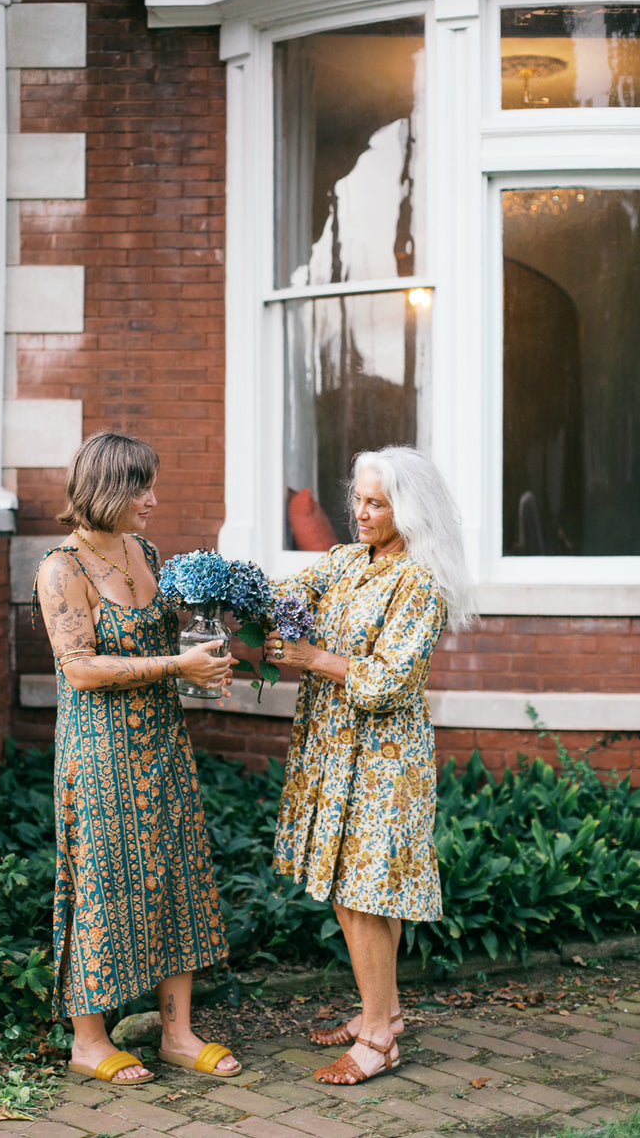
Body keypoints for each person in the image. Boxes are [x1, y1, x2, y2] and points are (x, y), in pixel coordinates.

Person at [262, 446, 473, 1086]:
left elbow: (386, 683)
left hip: (385, 760)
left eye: (376, 503)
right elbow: (282, 594)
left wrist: (311, 658)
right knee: (352, 892)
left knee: (364, 895)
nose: (359, 512)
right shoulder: (349, 562)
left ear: (408, 509)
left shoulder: (420, 584)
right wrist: (229, 593)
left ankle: (379, 1038)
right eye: (357, 499)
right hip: (333, 749)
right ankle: (382, 1011)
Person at [35, 431, 241, 1086]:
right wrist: (178, 664)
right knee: (101, 883)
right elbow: (82, 668)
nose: (154, 500)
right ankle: (89, 1042)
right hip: (99, 754)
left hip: (162, 744)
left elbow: (168, 638)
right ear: (107, 492)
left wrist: (207, 653)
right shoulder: (61, 568)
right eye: (141, 489)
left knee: (176, 878)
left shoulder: (144, 550)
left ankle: (177, 1034)